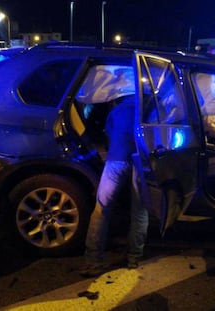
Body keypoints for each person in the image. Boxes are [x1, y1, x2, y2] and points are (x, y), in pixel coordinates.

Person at [79, 94, 149, 278]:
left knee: (101, 209)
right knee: (140, 211)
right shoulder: (151, 108)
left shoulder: (117, 110)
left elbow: (109, 132)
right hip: (141, 162)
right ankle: (134, 257)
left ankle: (93, 261)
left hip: (116, 159)